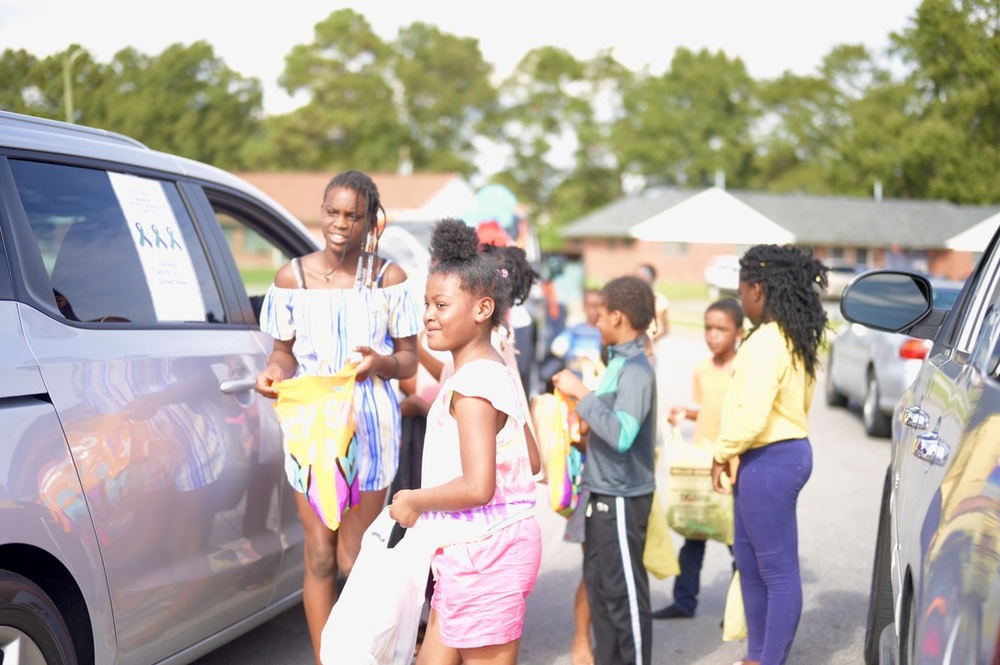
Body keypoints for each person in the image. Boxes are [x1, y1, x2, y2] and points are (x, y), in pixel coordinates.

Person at [254, 169, 420, 664]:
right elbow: (283, 355)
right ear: (321, 210)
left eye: (354, 215)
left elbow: (409, 360)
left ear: (372, 221)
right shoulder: (292, 278)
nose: (341, 224)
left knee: (356, 558)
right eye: (333, 212)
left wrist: (381, 364)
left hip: (370, 426)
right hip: (312, 430)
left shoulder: (389, 279)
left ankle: (372, 653)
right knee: (320, 555)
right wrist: (272, 373)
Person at [389, 217, 542, 664]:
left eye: (440, 305)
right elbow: (529, 456)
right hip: (471, 550)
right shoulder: (486, 369)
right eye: (426, 304)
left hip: (487, 553)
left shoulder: (474, 385)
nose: (428, 316)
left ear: (481, 309)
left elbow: (479, 487)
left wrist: (415, 500)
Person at [709, 244, 828, 665]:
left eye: (741, 291)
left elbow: (751, 413)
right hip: (776, 456)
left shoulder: (765, 343)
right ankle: (757, 654)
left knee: (775, 570)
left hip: (771, 460)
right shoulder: (796, 338)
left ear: (757, 289)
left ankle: (769, 659)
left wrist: (722, 453)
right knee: (750, 562)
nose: (741, 300)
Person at [552, 275, 657, 665]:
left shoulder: (636, 370)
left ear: (618, 316)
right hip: (601, 494)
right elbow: (606, 425)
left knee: (626, 597)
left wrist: (581, 393)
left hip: (622, 497)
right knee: (601, 592)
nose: (594, 322)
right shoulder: (617, 362)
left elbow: (622, 434)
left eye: (599, 315)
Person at [652, 298, 744, 620]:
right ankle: (684, 601)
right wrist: (686, 412)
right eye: (708, 328)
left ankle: (739, 609)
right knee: (693, 537)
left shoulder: (743, 369)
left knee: (736, 542)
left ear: (739, 333)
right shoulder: (702, 369)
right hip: (703, 464)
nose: (713, 335)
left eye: (722, 329)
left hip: (733, 466)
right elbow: (710, 408)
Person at [635, 263, 669, 358]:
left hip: (651, 349)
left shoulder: (660, 300)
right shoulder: (632, 300)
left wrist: (650, 341)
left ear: (652, 278)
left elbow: (664, 329)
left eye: (643, 276)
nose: (640, 279)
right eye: (637, 276)